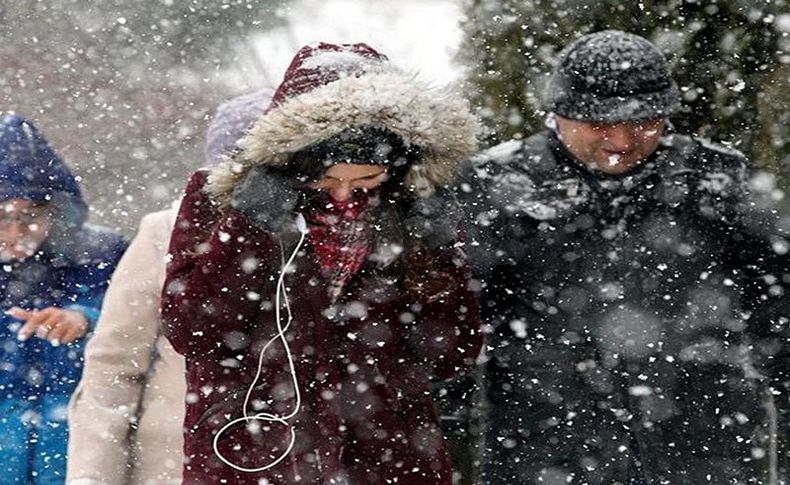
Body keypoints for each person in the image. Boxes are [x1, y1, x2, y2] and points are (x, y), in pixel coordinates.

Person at [455, 30, 790, 484]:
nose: (621, 140)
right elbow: (448, 342)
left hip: (704, 447)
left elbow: (780, 321)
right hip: (548, 450)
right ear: (557, 114)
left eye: (644, 122)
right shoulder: (496, 188)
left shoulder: (717, 183)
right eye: (598, 124)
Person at [160, 42, 483, 484]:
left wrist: (438, 252)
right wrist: (249, 226)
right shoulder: (217, 199)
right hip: (254, 456)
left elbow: (452, 353)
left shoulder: (410, 212)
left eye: (366, 179)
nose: (344, 196)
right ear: (290, 158)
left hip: (387, 459)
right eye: (327, 177)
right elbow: (194, 330)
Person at [66, 88, 273, 485]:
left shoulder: (315, 241)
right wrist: (93, 476)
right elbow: (114, 365)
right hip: (172, 466)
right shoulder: (166, 233)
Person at [0, 112, 126, 483]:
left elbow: (140, 322)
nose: (16, 232)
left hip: (76, 443)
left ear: (56, 212)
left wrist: (86, 319)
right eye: (1, 217)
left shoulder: (102, 256)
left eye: (30, 216)